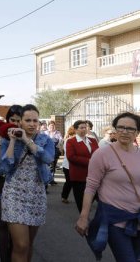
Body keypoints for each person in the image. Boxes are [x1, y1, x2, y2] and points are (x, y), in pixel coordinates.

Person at [75, 112, 140, 261]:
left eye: (130, 129)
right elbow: (91, 187)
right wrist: (83, 217)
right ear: (115, 130)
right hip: (114, 219)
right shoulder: (102, 154)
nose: (124, 131)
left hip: (137, 218)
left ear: (137, 132)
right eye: (120, 127)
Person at [0, 104, 54, 262]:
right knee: (21, 245)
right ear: (20, 122)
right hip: (14, 194)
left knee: (29, 244)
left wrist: (27, 140)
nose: (31, 123)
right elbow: (5, 167)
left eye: (35, 120)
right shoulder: (10, 139)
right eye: (27, 120)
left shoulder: (46, 140)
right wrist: (11, 141)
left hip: (36, 195)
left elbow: (48, 158)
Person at [0, 104, 22, 261]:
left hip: (19, 184)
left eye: (19, 120)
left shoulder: (26, 135)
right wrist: (0, 138)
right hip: (0, 179)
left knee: (16, 223)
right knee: (4, 221)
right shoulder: (1, 133)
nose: (15, 124)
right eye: (12, 120)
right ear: (7, 119)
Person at [66, 120, 99, 213]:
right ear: (76, 130)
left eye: (85, 127)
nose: (84, 129)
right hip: (78, 175)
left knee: (95, 194)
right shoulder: (71, 141)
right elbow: (71, 157)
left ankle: (86, 211)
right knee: (80, 198)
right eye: (81, 127)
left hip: (93, 174)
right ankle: (83, 217)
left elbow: (98, 153)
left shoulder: (92, 140)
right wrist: (90, 161)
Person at [58, 125, 75, 204]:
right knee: (69, 182)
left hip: (72, 165)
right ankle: (64, 196)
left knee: (72, 182)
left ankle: (64, 196)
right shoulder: (69, 140)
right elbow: (69, 154)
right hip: (68, 165)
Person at [44, 121, 63, 185]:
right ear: (48, 126)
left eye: (53, 125)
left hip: (55, 149)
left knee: (53, 164)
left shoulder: (58, 133)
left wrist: (58, 147)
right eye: (51, 125)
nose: (52, 127)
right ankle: (47, 179)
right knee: (48, 165)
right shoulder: (45, 133)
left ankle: (52, 179)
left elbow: (61, 140)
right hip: (47, 149)